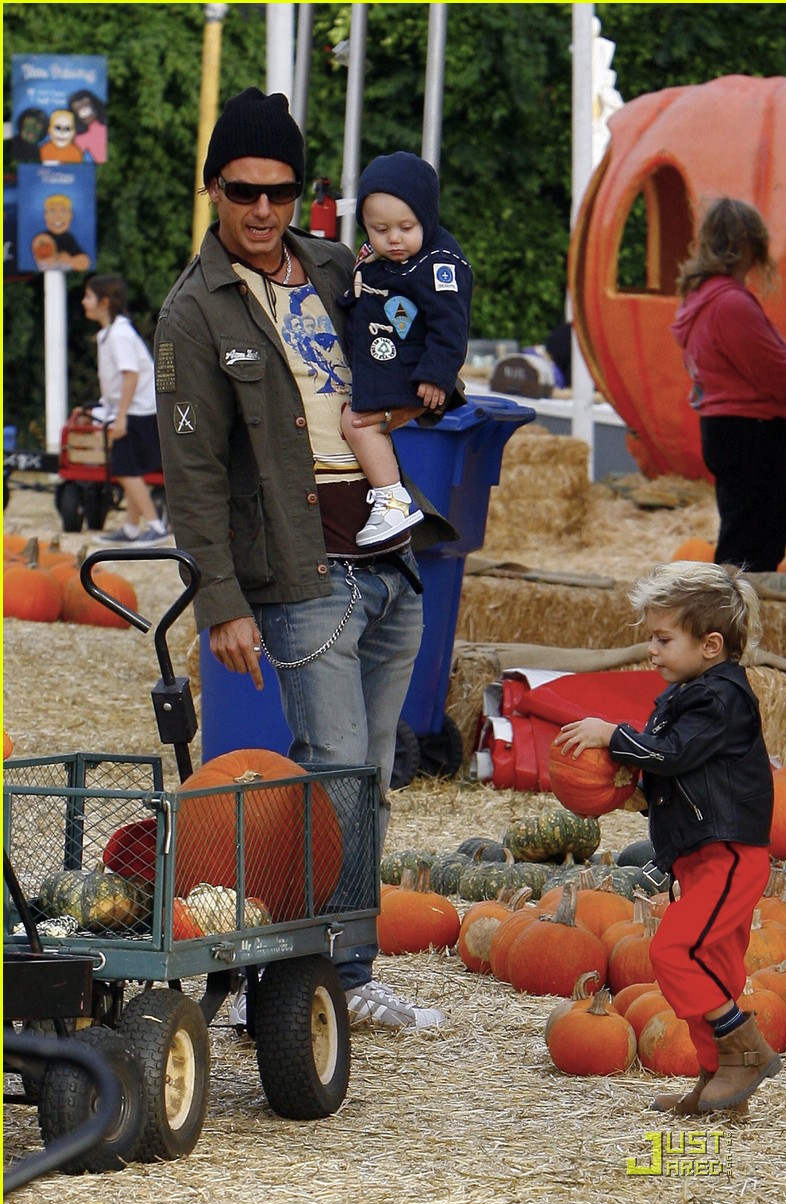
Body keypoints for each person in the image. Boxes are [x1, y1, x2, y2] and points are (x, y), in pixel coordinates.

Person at [154, 88, 457, 1029]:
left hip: (389, 554)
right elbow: (192, 473)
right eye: (243, 191)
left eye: (279, 191)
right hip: (301, 572)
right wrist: (220, 603)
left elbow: (430, 310)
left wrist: (427, 388)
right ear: (213, 190)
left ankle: (341, 968)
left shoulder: (341, 266)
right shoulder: (192, 314)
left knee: (364, 774)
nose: (261, 211)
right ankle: (294, 979)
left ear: (301, 193)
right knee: (327, 771)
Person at [554, 561, 780, 1115]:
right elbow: (677, 769)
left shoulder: (720, 699)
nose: (651, 650)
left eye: (662, 638)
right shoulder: (687, 695)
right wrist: (633, 788)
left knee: (675, 951)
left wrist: (613, 735)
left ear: (709, 644)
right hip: (701, 856)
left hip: (729, 855)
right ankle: (719, 1080)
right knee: (716, 968)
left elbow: (675, 754)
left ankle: (745, 1052)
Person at [671, 197, 786, 573]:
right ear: (749, 245)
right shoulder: (730, 304)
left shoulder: (700, 299)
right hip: (757, 433)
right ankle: (733, 625)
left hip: (730, 428)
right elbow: (779, 376)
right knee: (752, 551)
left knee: (748, 538)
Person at [338, 151, 472, 546]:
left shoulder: (438, 264)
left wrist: (437, 375)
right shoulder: (378, 257)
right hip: (380, 363)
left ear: (426, 218)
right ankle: (385, 494)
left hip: (408, 372)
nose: (393, 239)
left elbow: (451, 325)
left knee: (357, 424)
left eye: (405, 227)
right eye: (379, 229)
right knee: (353, 423)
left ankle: (391, 498)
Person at [82, 274, 168, 544]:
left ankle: (155, 525)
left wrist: (119, 418)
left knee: (125, 470)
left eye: (88, 297)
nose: (84, 302)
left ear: (104, 302)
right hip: (133, 410)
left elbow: (130, 375)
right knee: (133, 470)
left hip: (137, 411)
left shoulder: (119, 334)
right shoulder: (111, 333)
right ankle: (132, 528)